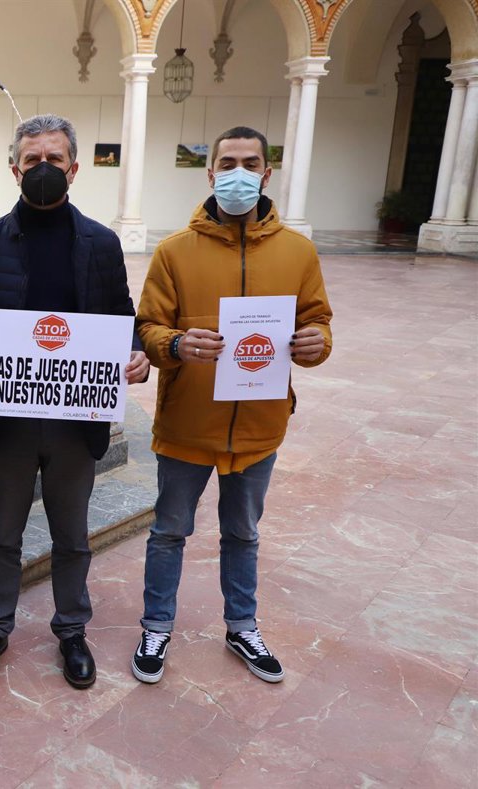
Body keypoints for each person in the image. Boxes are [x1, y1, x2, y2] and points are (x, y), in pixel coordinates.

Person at [0, 114, 150, 689]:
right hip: (6, 419)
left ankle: (72, 631)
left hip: (75, 419)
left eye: (53, 159)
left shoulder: (101, 243)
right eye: (32, 160)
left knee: (71, 536)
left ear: (73, 168)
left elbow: (121, 315)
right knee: (2, 534)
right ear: (15, 170)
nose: (43, 168)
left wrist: (136, 351)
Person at [130, 126, 332, 685]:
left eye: (249, 163)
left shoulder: (298, 252)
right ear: (210, 172)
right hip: (187, 424)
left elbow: (317, 321)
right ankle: (156, 627)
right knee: (169, 532)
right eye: (227, 163)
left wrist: (316, 343)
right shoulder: (174, 251)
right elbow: (148, 327)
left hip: (258, 427)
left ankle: (242, 626)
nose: (237, 173)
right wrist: (176, 344)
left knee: (243, 534)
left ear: (266, 173)